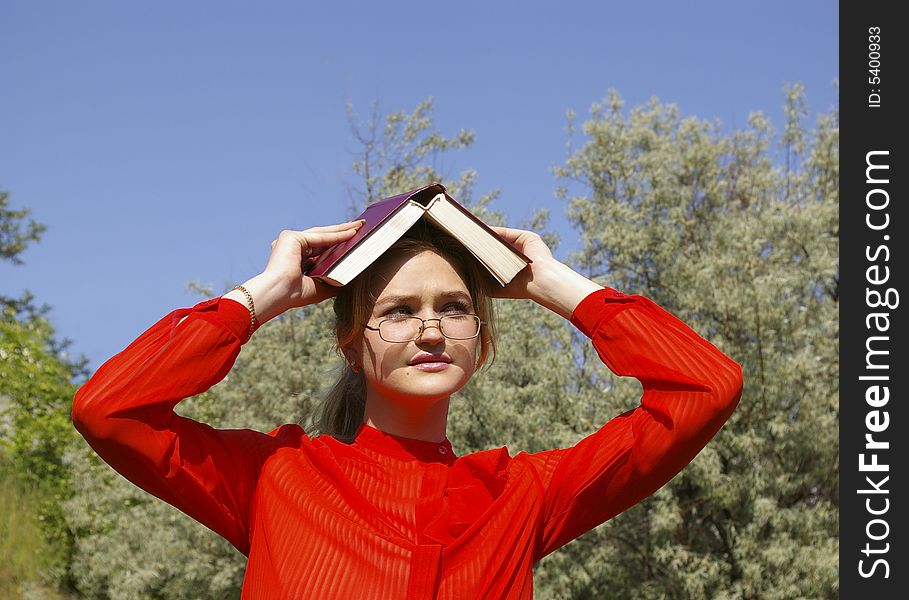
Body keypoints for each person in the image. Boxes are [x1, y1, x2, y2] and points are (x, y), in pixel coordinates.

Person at [72, 199, 743, 599]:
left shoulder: (522, 496)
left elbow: (704, 388)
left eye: (453, 308)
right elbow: (110, 410)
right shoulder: (277, 480)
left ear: (479, 340)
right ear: (348, 344)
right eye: (396, 311)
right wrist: (264, 295)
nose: (429, 329)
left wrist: (554, 283)